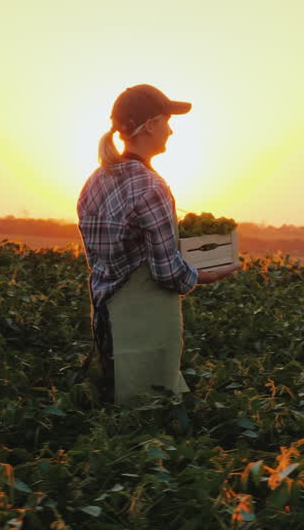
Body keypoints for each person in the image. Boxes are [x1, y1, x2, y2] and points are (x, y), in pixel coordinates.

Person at [78, 84, 239, 405]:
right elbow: (167, 273)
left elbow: (98, 259)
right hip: (144, 324)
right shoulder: (152, 186)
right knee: (151, 413)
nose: (171, 130)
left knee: (115, 411)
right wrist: (208, 275)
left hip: (106, 316)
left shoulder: (94, 181)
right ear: (150, 125)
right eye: (166, 120)